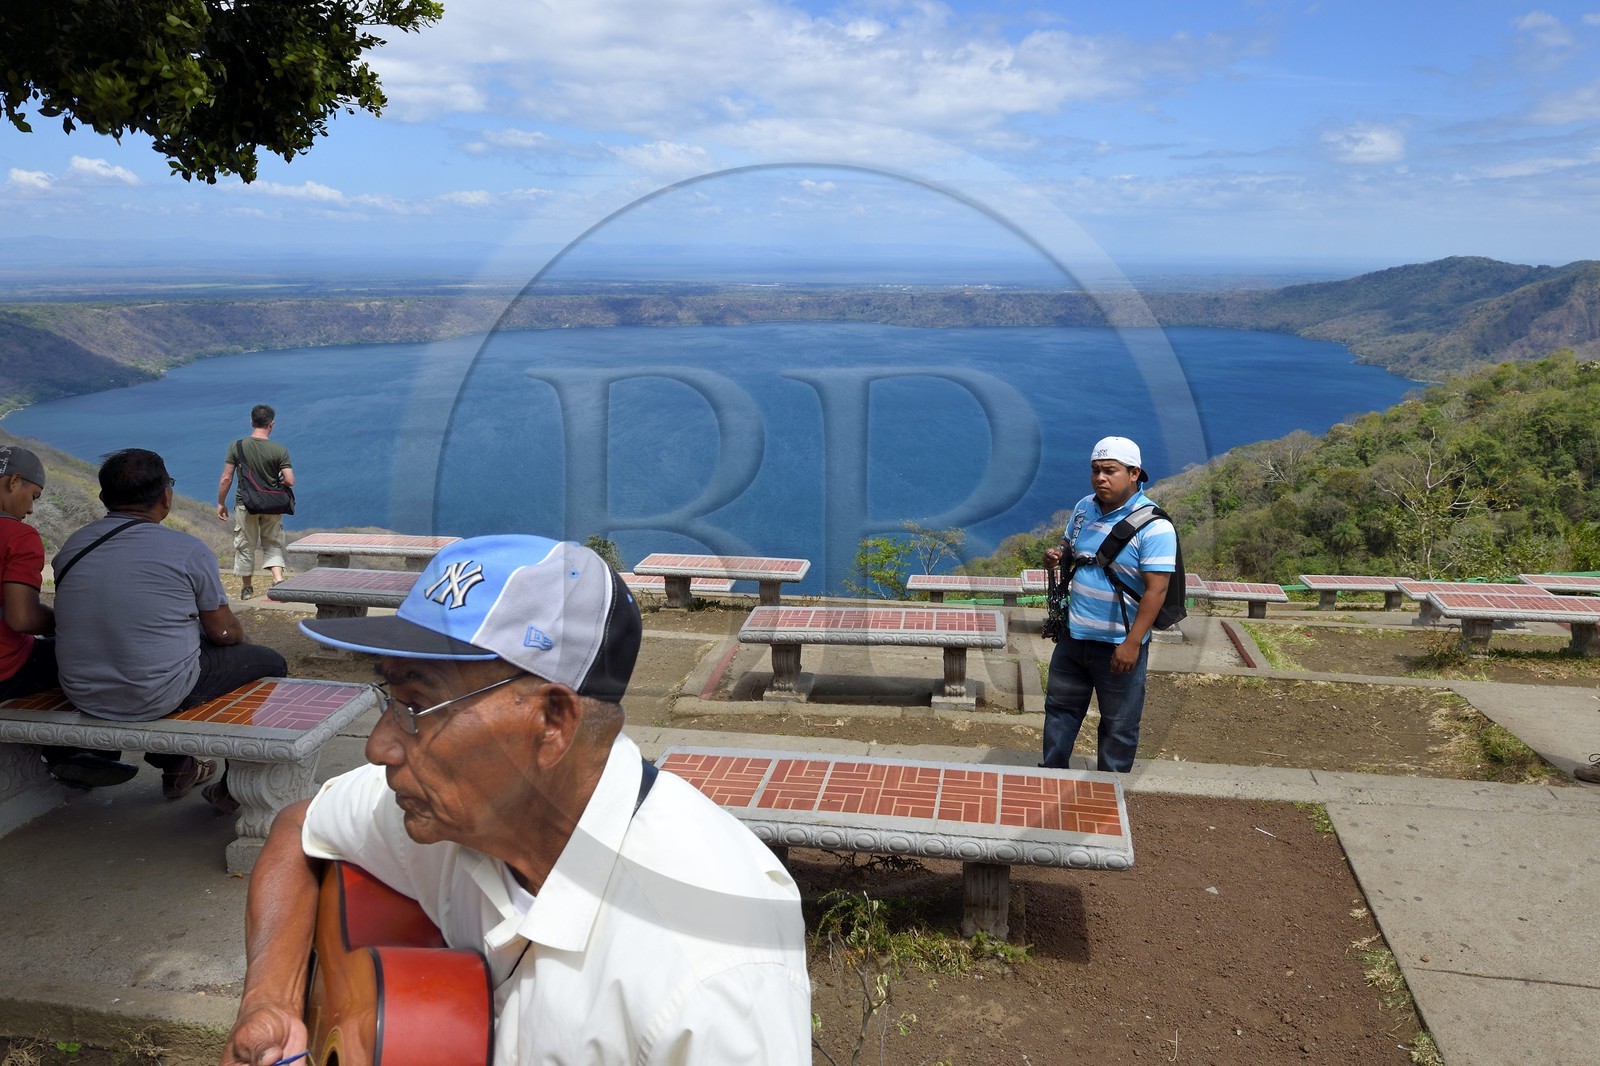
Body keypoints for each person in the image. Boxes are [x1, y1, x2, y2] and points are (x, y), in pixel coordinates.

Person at [219, 535, 811, 1066]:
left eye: (417, 704)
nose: (378, 747)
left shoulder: (710, 975)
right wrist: (269, 998)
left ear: (552, 722)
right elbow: (300, 828)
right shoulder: (458, 812)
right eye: (387, 696)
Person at [53, 448, 287, 812]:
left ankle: (177, 764)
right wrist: (239, 641)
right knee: (267, 663)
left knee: (157, 654)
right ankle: (233, 788)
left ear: (103, 498)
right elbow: (224, 632)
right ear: (166, 495)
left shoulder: (73, 546)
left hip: (82, 691)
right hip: (155, 693)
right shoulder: (186, 550)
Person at [1041, 436, 1177, 773]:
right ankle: (1051, 775)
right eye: (1095, 470)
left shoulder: (1155, 527)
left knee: (1119, 724)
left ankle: (1110, 792)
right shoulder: (1084, 507)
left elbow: (1156, 591)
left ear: (1134, 473)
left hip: (1119, 642)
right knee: (1060, 710)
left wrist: (1132, 644)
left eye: (1110, 471)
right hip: (1075, 635)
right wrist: (1058, 555)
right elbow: (1071, 545)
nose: (1100, 478)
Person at [216, 404, 294, 600]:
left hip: (246, 503)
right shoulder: (279, 450)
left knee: (245, 544)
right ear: (271, 424)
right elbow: (290, 480)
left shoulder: (237, 446)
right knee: (272, 541)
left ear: (251, 421)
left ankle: (247, 588)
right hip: (272, 504)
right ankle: (277, 580)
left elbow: (226, 478)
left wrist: (221, 502)